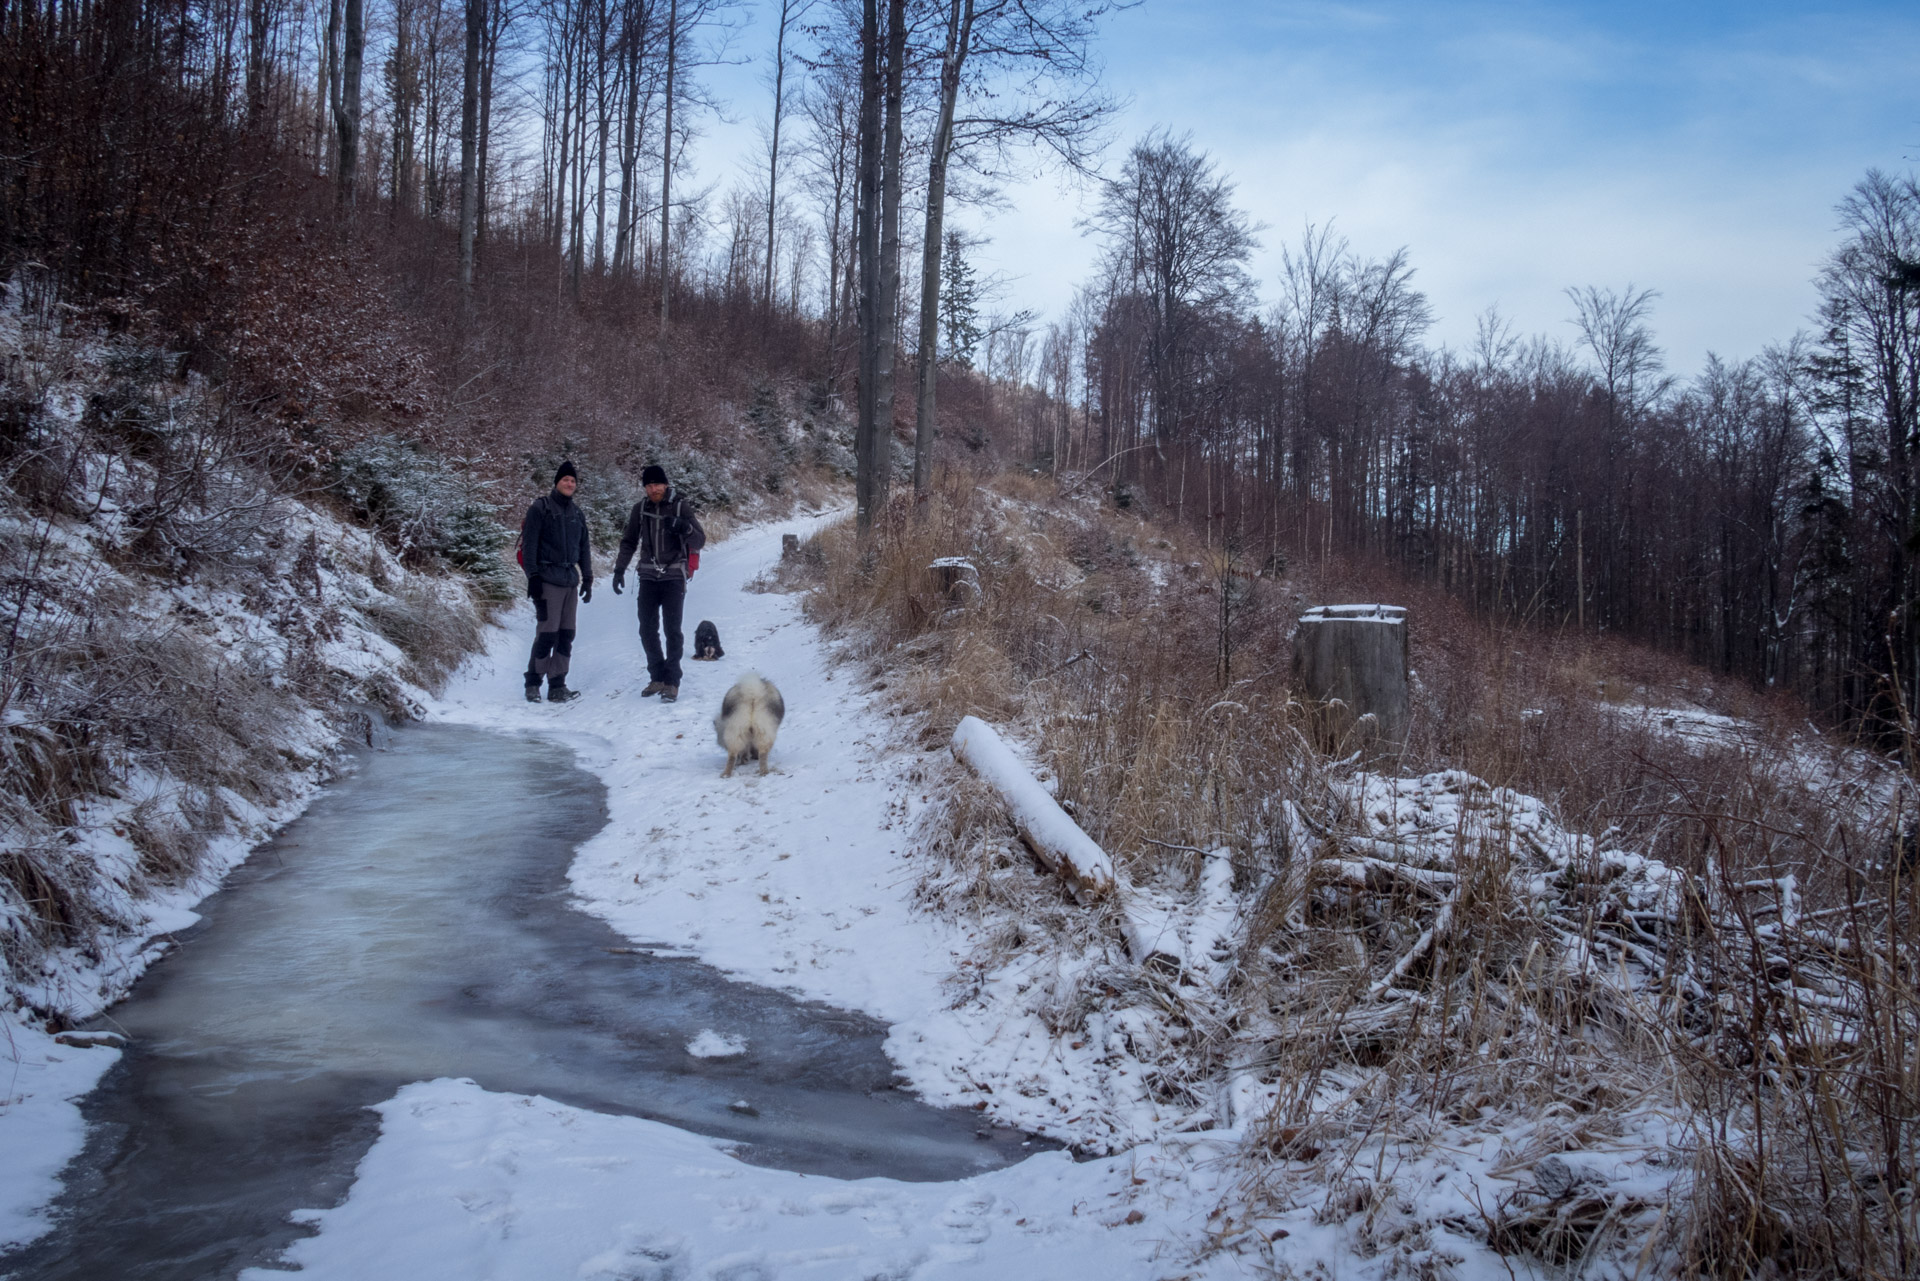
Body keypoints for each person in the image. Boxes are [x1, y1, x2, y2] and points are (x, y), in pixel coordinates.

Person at [611, 464, 706, 703]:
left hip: (674, 575)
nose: (654, 489)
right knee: (646, 629)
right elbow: (629, 541)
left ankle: (672, 681)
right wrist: (619, 569)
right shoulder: (640, 510)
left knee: (672, 630)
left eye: (657, 485)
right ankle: (657, 676)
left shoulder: (680, 506)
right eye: (649, 485)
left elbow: (700, 539)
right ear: (645, 487)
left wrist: (684, 527)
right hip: (648, 576)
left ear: (665, 484)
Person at [521, 460, 593, 702]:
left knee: (566, 634)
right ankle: (533, 682)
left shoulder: (577, 514)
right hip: (547, 580)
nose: (569, 483)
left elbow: (584, 548)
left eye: (573, 481)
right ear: (557, 482)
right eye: (565, 480)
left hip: (569, 581)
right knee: (547, 633)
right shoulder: (540, 508)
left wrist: (588, 578)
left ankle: (557, 684)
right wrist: (532, 577)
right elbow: (530, 545)